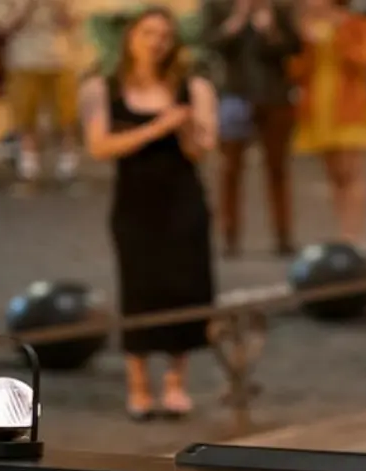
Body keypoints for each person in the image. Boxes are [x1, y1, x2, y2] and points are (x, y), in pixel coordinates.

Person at [78, 7, 218, 420]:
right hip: (135, 201)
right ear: (130, 37)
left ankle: (176, 382)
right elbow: (100, 146)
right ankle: (138, 384)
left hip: (184, 198)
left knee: (184, 285)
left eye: (164, 35)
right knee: (139, 288)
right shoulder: (102, 87)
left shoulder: (194, 87)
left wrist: (186, 127)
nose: (156, 42)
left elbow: (201, 150)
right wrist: (158, 127)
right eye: (148, 33)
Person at [201, 0, 301, 257]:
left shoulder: (278, 7)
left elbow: (294, 48)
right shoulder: (218, 6)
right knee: (230, 170)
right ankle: (230, 235)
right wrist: (234, 24)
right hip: (235, 95)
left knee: (277, 168)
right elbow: (211, 45)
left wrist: (271, 31)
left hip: (274, 97)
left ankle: (283, 235)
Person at [289, 0, 366, 241]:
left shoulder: (360, 24)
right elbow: (295, 70)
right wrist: (306, 43)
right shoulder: (305, 26)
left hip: (350, 106)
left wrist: (336, 36)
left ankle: (353, 234)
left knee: (351, 171)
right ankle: (342, 231)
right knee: (334, 174)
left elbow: (364, 60)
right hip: (319, 107)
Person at [0, 0, 81, 184]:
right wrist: (25, 7)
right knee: (25, 114)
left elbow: (73, 22)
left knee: (66, 114)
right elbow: (2, 27)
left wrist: (59, 6)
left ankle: (67, 158)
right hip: (23, 59)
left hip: (60, 59)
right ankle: (29, 160)